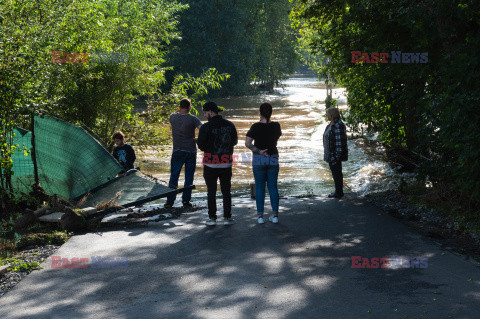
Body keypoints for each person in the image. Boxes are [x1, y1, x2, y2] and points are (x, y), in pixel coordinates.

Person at [197, 101, 238, 226]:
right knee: (226, 191)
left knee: (211, 192)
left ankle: (212, 218)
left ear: (210, 111)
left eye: (205, 112)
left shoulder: (205, 127)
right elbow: (235, 142)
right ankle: (227, 217)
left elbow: (201, 146)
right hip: (226, 162)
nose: (204, 115)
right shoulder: (230, 125)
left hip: (210, 163)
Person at [245, 103, 282, 224]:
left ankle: (260, 217)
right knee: (273, 187)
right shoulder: (276, 126)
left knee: (260, 187)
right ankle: (275, 216)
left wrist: (259, 151)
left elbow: (248, 143)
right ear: (271, 113)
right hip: (273, 157)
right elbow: (275, 138)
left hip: (259, 158)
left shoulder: (255, 127)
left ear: (260, 112)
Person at [164, 98, 202, 208]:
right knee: (189, 176)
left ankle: (169, 202)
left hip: (177, 151)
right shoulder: (193, 119)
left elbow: (175, 113)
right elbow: (203, 129)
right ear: (190, 108)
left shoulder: (173, 117)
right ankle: (186, 201)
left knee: (174, 176)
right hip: (190, 150)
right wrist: (198, 139)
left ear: (179, 107)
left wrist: (178, 111)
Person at [323, 107, 348, 198]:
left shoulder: (338, 125)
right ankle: (338, 191)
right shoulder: (331, 124)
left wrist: (338, 155)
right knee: (335, 173)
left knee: (337, 173)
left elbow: (340, 141)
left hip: (335, 154)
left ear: (332, 115)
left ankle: (339, 192)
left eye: (328, 114)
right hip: (331, 154)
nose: (327, 116)